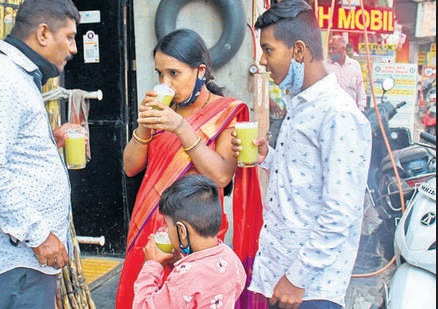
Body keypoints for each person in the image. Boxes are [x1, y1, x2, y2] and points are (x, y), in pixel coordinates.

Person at [232, 0, 372, 308]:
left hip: (310, 290)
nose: (263, 61)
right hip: (282, 275)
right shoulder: (301, 105)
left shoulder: (339, 115)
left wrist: (297, 278)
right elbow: (302, 178)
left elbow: (340, 213)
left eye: (268, 50)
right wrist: (266, 157)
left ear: (298, 51)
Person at [118, 28, 264, 308]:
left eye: (174, 73)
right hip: (152, 228)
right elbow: (130, 167)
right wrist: (144, 125)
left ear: (200, 71)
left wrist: (181, 127)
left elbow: (221, 176)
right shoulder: (163, 111)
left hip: (196, 239)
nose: (165, 82)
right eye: (160, 73)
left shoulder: (225, 111)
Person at [0, 1, 81, 308]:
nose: (74, 48)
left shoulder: (14, 76)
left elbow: (1, 151)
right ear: (42, 34)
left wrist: (47, 140)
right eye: (70, 37)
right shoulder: (2, 81)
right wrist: (38, 236)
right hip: (13, 266)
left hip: (21, 265)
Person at [133, 174, 247, 308]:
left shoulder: (185, 278)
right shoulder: (230, 257)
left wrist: (151, 266)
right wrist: (179, 260)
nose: (166, 231)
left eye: (168, 226)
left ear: (181, 231)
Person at [326, 35, 367, 112]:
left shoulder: (354, 65)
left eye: (333, 49)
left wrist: (361, 108)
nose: (330, 51)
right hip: (331, 112)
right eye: (329, 48)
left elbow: (360, 87)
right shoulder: (325, 66)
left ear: (343, 49)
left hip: (350, 111)